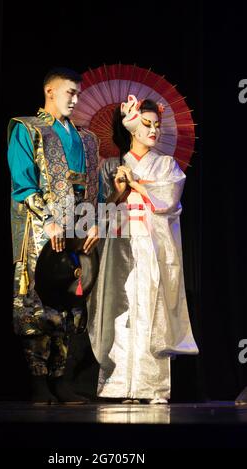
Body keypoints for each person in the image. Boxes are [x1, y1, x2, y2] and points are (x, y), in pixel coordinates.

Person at [88, 95, 199, 404]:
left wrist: (138, 184)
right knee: (122, 312)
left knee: (151, 311)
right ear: (133, 128)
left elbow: (169, 198)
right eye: (147, 124)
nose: (154, 131)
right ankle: (120, 384)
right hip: (121, 246)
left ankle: (154, 387)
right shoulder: (112, 166)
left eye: (157, 125)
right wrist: (119, 191)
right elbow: (103, 212)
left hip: (151, 246)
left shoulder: (165, 164)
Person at [7, 67, 99, 404]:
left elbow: (94, 188)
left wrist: (94, 223)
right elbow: (22, 180)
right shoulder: (27, 128)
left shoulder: (87, 138)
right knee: (39, 300)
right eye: (68, 92)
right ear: (50, 91)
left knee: (71, 298)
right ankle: (38, 381)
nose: (74, 99)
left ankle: (62, 379)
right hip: (42, 228)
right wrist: (47, 219)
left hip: (76, 227)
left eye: (78, 93)